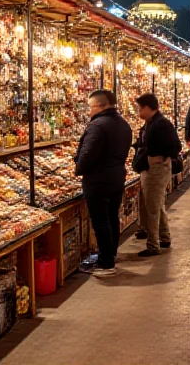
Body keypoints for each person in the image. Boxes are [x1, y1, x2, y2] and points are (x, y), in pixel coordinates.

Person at [75, 89, 132, 277]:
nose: (89, 111)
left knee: (100, 221)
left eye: (90, 107)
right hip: (117, 177)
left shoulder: (98, 126)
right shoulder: (123, 124)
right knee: (111, 218)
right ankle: (110, 254)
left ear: (101, 105)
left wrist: (78, 169)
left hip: (98, 180)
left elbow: (87, 153)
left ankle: (106, 263)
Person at [133, 94, 182, 257]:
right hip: (152, 168)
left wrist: (160, 157)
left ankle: (153, 245)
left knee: (152, 208)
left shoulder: (161, 124)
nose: (139, 111)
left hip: (157, 169)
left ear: (148, 108)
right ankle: (164, 237)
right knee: (156, 205)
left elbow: (176, 146)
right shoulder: (151, 123)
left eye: (140, 108)